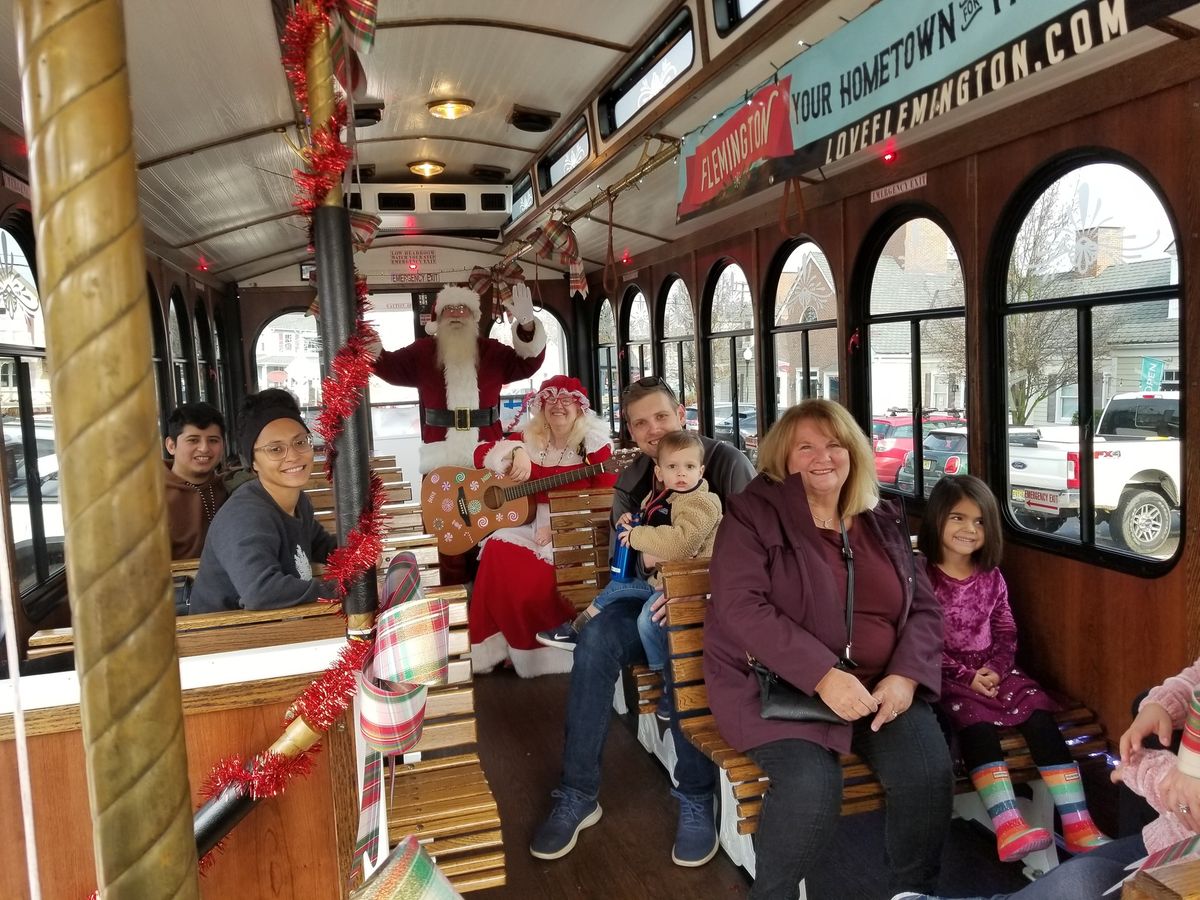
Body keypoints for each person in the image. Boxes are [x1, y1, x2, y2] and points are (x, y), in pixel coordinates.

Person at [705, 399, 952, 900]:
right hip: (775, 687)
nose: (824, 456)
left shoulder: (879, 518)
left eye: (835, 444)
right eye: (806, 446)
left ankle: (914, 893)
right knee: (812, 790)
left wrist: (904, 676)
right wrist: (823, 675)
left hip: (879, 685)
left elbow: (925, 610)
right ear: (782, 456)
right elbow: (739, 604)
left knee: (927, 772)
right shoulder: (753, 515)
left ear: (853, 452)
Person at [528, 377, 755, 867]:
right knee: (595, 643)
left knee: (681, 640)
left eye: (661, 417)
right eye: (640, 422)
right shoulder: (634, 480)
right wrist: (644, 569)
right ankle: (577, 792)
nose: (654, 429)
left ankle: (694, 797)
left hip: (714, 604)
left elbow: (754, 549)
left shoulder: (724, 464)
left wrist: (694, 592)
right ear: (630, 431)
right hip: (649, 595)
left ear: (681, 415)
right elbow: (627, 556)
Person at [893, 656, 1200, 900]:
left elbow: (1186, 794)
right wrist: (1162, 703)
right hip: (1175, 836)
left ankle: (1067, 820)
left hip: (1187, 863)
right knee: (1080, 875)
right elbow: (1195, 677)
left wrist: (1146, 770)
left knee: (1082, 886)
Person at [918, 474, 1110, 862]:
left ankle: (1078, 824)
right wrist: (967, 675)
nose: (969, 530)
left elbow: (1005, 628)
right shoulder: (921, 577)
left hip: (995, 669)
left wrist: (996, 667)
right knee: (973, 721)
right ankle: (1008, 824)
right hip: (946, 675)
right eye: (957, 518)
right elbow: (919, 638)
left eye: (979, 521)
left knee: (1039, 714)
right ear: (936, 518)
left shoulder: (991, 577)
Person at [537, 429, 722, 720]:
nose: (681, 474)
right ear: (660, 472)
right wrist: (632, 520)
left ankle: (668, 682)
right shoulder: (662, 496)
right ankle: (577, 628)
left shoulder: (702, 502)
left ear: (701, 470)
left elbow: (682, 543)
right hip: (658, 581)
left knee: (648, 619)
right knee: (619, 586)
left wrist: (636, 536)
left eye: (689, 467)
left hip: (688, 585)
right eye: (673, 467)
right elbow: (648, 519)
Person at [373, 283, 546, 584]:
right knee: (446, 540)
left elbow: (528, 362)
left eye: (462, 309)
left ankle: (490, 601)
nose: (456, 314)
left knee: (494, 531)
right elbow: (386, 366)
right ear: (437, 319)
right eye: (449, 309)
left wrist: (528, 326)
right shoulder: (421, 353)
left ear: (474, 317)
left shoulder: (492, 352)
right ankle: (454, 606)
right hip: (440, 459)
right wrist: (367, 342)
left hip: (489, 458)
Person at [469, 375, 616, 677]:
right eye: (550, 399)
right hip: (534, 522)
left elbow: (606, 502)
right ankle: (501, 646)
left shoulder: (595, 446)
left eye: (566, 400)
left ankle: (539, 650)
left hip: (581, 530)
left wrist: (564, 527)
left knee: (532, 577)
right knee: (496, 549)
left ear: (580, 408)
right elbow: (478, 454)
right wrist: (515, 452)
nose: (557, 406)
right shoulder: (530, 440)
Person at [190, 390, 337, 613]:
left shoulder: (299, 502)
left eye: (300, 442)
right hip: (228, 639)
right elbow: (261, 592)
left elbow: (322, 545)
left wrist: (360, 555)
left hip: (275, 628)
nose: (293, 456)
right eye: (276, 449)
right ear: (254, 462)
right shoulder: (244, 516)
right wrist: (340, 589)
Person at [162, 401, 228, 560]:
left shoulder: (232, 488)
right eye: (193, 440)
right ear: (171, 446)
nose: (204, 448)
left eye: (213, 440)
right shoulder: (150, 496)